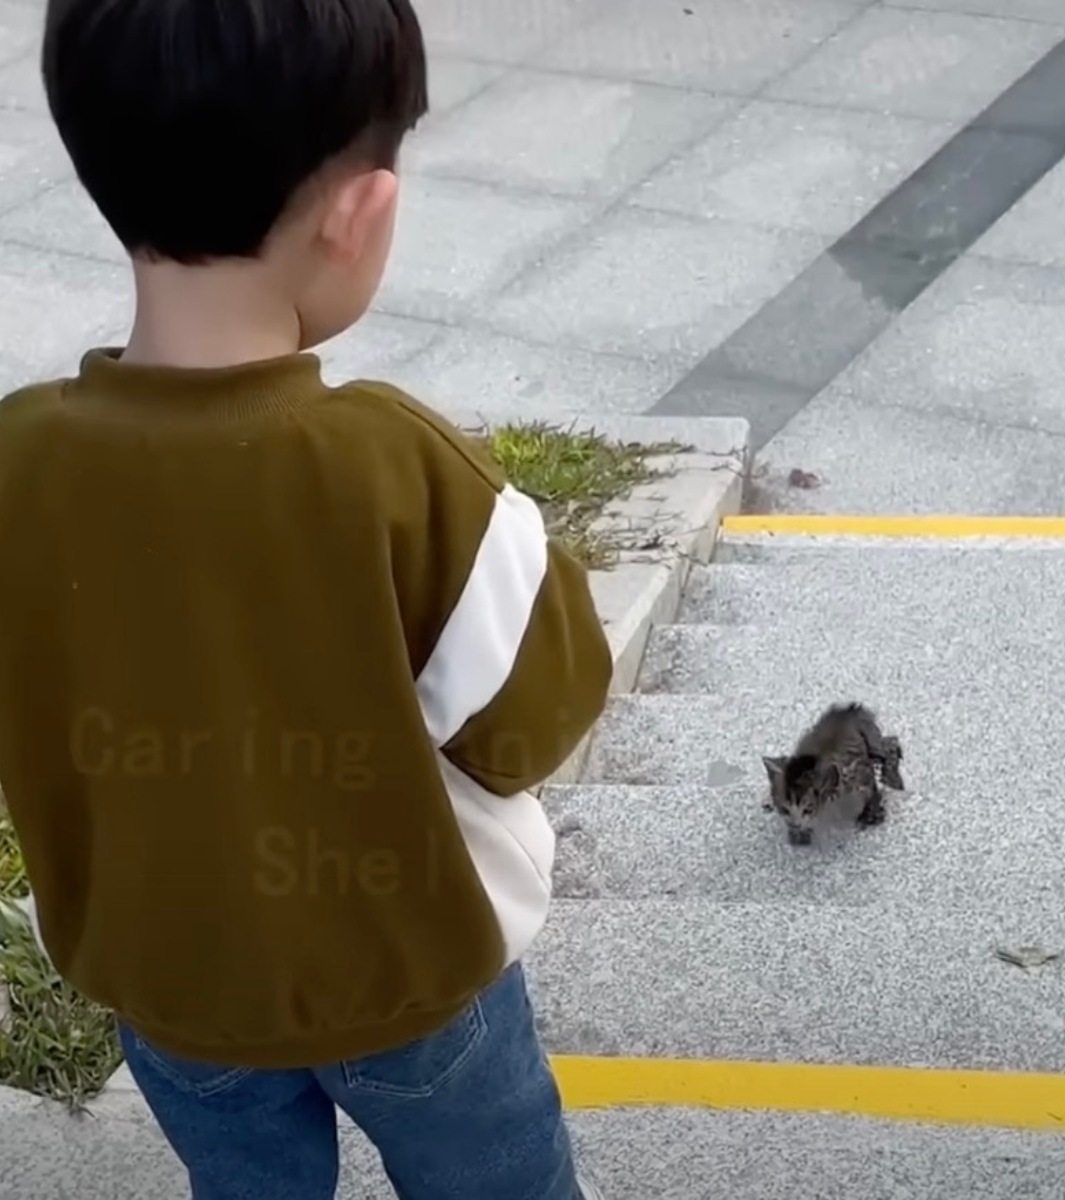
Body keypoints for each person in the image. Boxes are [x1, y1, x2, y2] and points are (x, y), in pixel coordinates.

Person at [0, 1, 614, 1197]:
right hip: (416, 979)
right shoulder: (395, 465)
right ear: (359, 211)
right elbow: (532, 712)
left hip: (170, 990)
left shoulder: (13, 464)